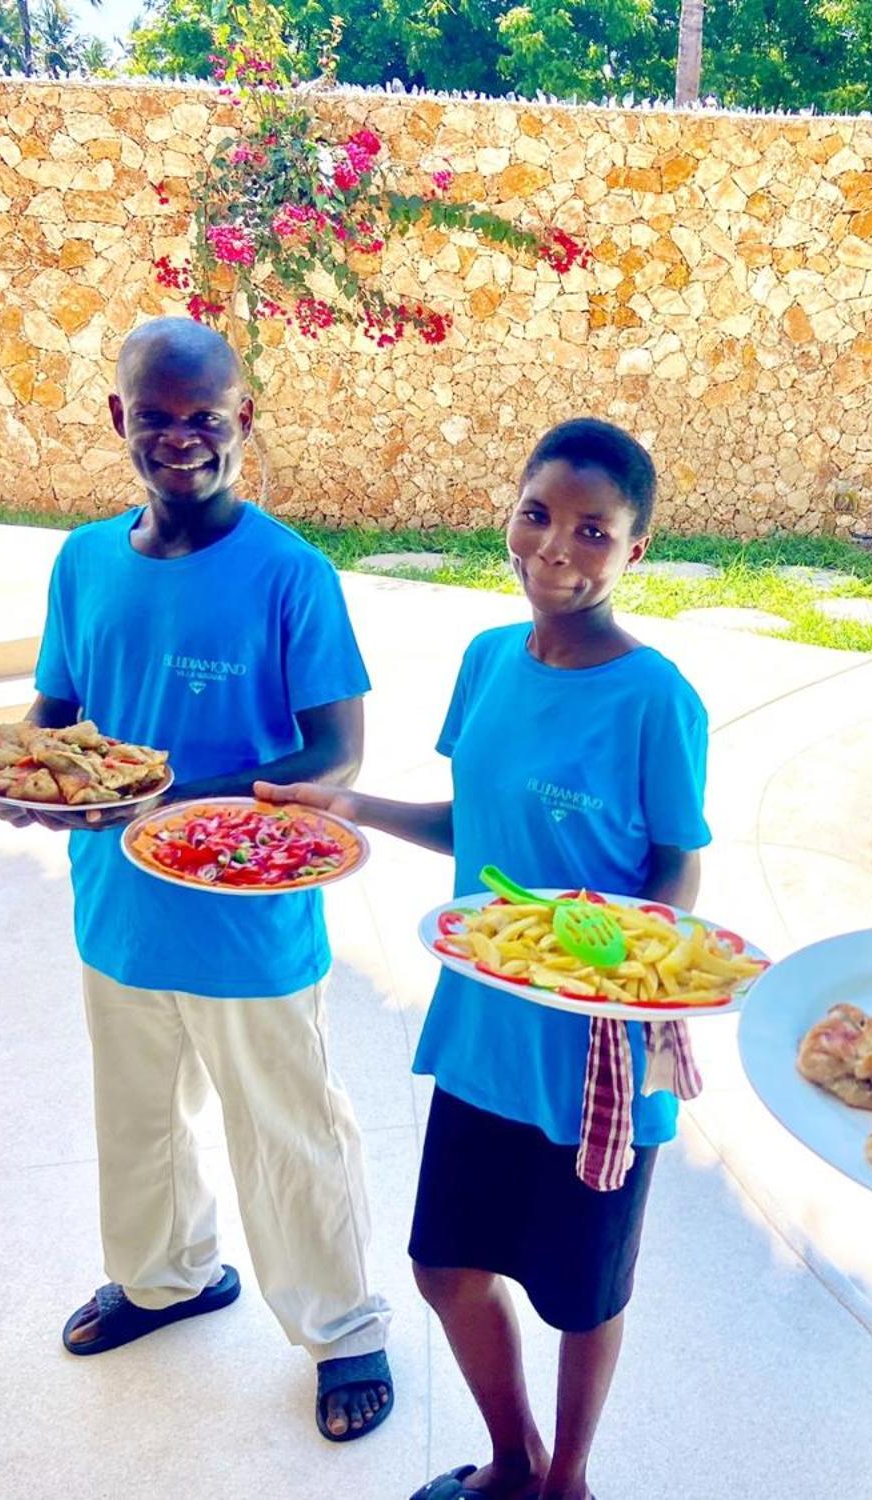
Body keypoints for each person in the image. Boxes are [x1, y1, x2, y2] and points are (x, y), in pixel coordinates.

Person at [262, 417, 709, 1500]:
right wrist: (351, 805)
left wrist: (621, 979)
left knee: (582, 1297)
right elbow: (476, 821)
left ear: (634, 550)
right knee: (443, 1266)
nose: (556, 547)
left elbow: (677, 867)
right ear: (508, 513)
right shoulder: (485, 661)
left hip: (594, 1048)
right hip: (483, 1030)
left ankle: (568, 1487)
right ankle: (513, 1465)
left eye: (594, 531)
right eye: (537, 515)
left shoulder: (657, 698)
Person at [4, 317, 395, 1441]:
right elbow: (57, 713)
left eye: (206, 418)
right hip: (115, 908)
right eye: (158, 418)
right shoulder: (81, 561)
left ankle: (341, 1327)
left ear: (244, 421)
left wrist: (177, 801)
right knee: (136, 1119)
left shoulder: (290, 574)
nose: (182, 439)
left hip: (249, 920)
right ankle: (167, 1276)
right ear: (119, 419)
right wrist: (32, 773)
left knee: (286, 1128)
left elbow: (334, 756)